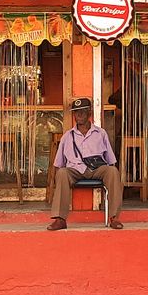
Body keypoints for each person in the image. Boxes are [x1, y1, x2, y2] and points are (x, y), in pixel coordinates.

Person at [48, 97, 124, 230]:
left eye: (83, 111)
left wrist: (109, 170)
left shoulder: (100, 133)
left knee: (113, 172)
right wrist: (52, 187)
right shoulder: (67, 136)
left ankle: (114, 217)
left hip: (97, 169)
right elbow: (58, 163)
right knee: (62, 173)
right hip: (75, 170)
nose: (79, 115)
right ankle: (60, 219)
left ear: (89, 113)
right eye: (76, 112)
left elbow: (111, 160)